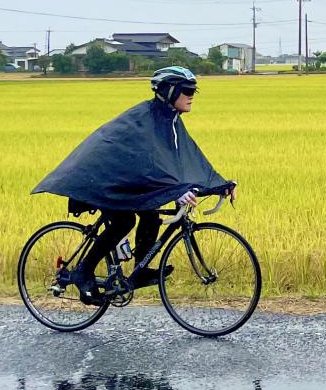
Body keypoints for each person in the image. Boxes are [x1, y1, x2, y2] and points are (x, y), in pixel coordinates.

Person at [32, 66, 237, 302]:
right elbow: (150, 165)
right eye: (187, 90)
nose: (192, 95)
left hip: (125, 182)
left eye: (194, 90)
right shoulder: (145, 120)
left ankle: (140, 269)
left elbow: (187, 160)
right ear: (170, 91)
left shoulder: (168, 120)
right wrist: (176, 191)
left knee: (150, 214)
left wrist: (219, 185)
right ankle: (82, 272)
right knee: (124, 220)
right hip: (104, 180)